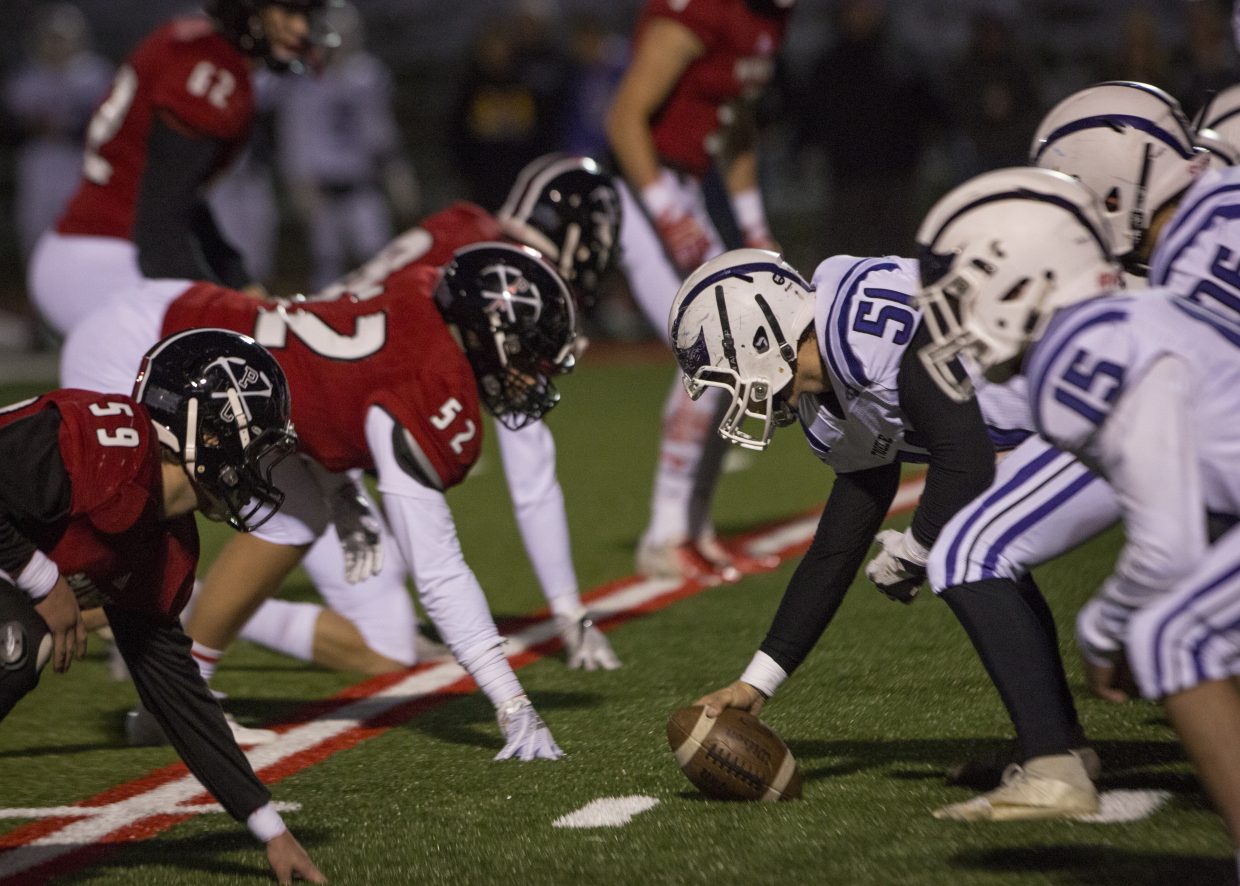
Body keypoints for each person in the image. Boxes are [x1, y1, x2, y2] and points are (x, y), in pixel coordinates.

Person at [62, 242, 577, 762]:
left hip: (182, 325)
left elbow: (327, 389)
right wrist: (511, 702)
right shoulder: (423, 383)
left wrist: (339, 484)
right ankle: (28, 616)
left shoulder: (421, 296)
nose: (533, 375)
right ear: (489, 333)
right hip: (149, 345)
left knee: (291, 514)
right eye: (528, 354)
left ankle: (177, 700)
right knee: (128, 546)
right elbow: (438, 570)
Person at [666, 246, 1098, 819]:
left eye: (727, 374)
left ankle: (1055, 764)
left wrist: (916, 549)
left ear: (759, 338)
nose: (735, 394)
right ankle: (1058, 741)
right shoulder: (829, 399)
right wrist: (755, 684)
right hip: (1058, 422)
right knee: (978, 542)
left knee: (963, 548)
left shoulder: (859, 328)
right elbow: (838, 542)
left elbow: (965, 459)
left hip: (1103, 394)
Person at [914, 164, 1240, 874]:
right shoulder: (1120, 318)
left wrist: (1102, 625)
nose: (953, 315)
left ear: (1021, 277)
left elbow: (1169, 539)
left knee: (1172, 637)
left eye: (962, 290)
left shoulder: (1078, 351)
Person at [232, 154, 623, 677]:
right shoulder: (506, 277)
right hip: (310, 415)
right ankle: (170, 621)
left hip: (308, 390)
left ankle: (162, 623)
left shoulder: (462, 227)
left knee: (392, 607)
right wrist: (570, 609)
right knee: (386, 640)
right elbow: (530, 468)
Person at [0, 328, 323, 884]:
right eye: (255, 444)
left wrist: (270, 828)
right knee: (15, 640)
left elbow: (176, 693)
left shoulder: (164, 540)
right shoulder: (107, 445)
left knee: (21, 634)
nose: (259, 470)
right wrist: (43, 580)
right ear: (212, 430)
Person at [605, 0, 795, 583]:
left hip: (687, 188)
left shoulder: (768, 19)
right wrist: (665, 211)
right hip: (643, 188)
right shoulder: (705, 10)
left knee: (746, 356)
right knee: (714, 350)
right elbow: (623, 117)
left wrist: (755, 227)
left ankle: (695, 528)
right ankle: (664, 536)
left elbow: (735, 125)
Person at [27, 0, 331, 337]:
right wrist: (220, 311)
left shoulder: (199, 46)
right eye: (289, 12)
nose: (301, 29)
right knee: (229, 359)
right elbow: (161, 226)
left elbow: (180, 199)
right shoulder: (209, 70)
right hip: (108, 258)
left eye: (307, 16)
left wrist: (238, 281)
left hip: (104, 249)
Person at [278, 0, 420, 291]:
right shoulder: (303, 80)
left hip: (361, 183)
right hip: (323, 187)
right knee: (327, 262)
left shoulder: (367, 75)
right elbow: (296, 133)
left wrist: (395, 170)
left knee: (379, 258)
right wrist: (299, 181)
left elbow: (380, 128)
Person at [4, 2, 112, 260]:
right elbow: (11, 130)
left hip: (79, 163)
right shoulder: (25, 79)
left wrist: (67, 127)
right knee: (35, 230)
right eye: (51, 36)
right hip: (38, 164)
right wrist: (33, 127)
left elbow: (107, 126)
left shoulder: (95, 75)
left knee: (79, 234)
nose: (56, 43)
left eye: (62, 37)